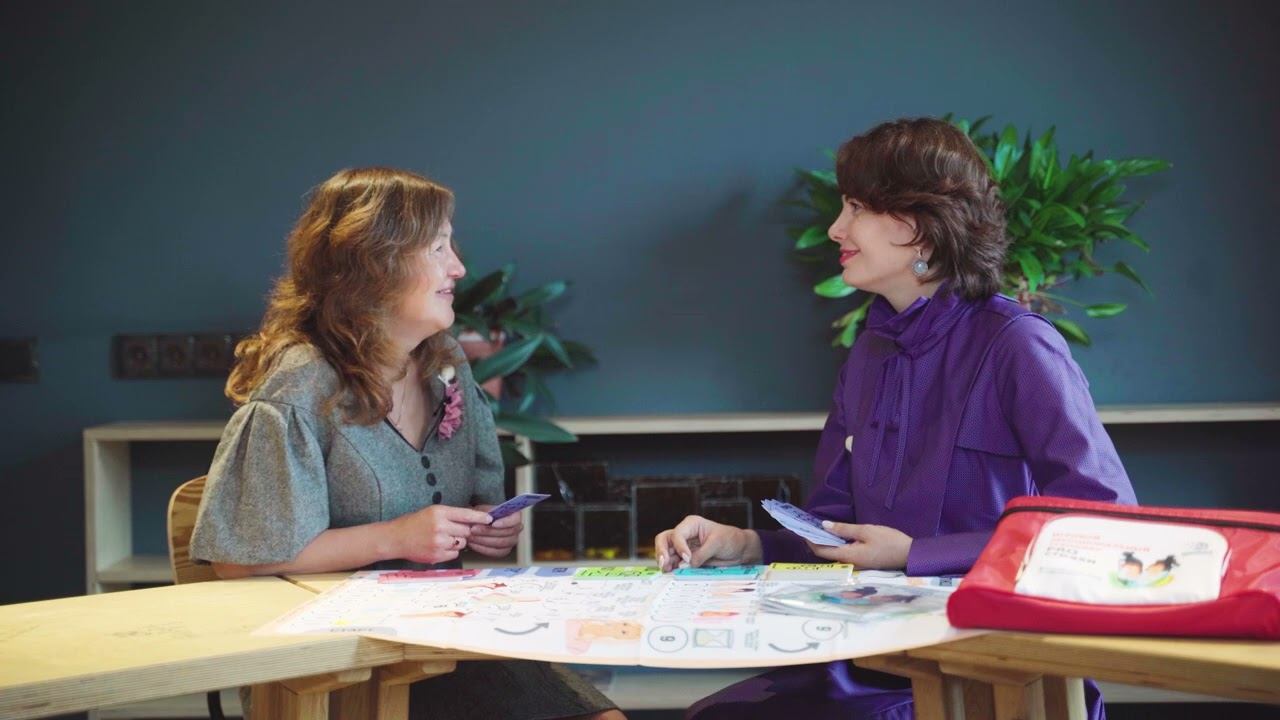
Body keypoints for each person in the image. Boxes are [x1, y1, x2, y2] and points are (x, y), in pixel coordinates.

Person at [655, 118, 1137, 720]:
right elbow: (839, 535)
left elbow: (1107, 527)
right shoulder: (869, 351)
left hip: (990, 670)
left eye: (856, 207)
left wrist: (918, 553)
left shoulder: (1018, 344)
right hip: (872, 660)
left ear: (919, 227)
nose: (836, 228)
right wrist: (745, 544)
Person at [189, 167, 621, 720]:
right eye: (438, 247)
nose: (458, 267)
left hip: (445, 639)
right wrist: (395, 537)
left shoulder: (445, 362)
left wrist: (488, 525)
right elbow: (237, 561)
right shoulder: (300, 387)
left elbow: (473, 502)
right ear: (375, 263)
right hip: (339, 665)